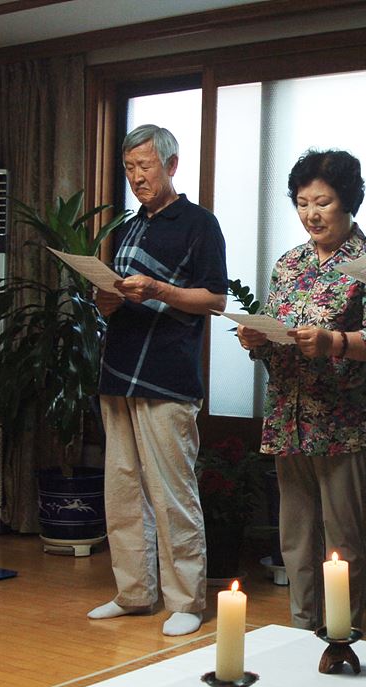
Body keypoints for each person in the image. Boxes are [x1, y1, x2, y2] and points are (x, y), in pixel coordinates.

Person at [237, 149, 366, 632]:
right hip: (288, 417)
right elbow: (277, 331)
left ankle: (340, 636)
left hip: (345, 423)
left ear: (348, 201)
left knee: (343, 541)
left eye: (323, 202)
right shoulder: (289, 264)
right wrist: (257, 339)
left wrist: (334, 342)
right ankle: (300, 630)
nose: (311, 214)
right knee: (295, 537)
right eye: (302, 203)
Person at [89, 124, 229, 637]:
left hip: (168, 375)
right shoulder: (128, 227)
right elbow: (115, 299)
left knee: (173, 493)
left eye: (145, 166)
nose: (136, 177)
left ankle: (186, 600)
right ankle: (133, 593)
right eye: (129, 168)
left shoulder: (199, 223)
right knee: (122, 488)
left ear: (171, 165)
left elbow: (215, 299)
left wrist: (158, 289)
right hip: (118, 371)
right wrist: (106, 298)